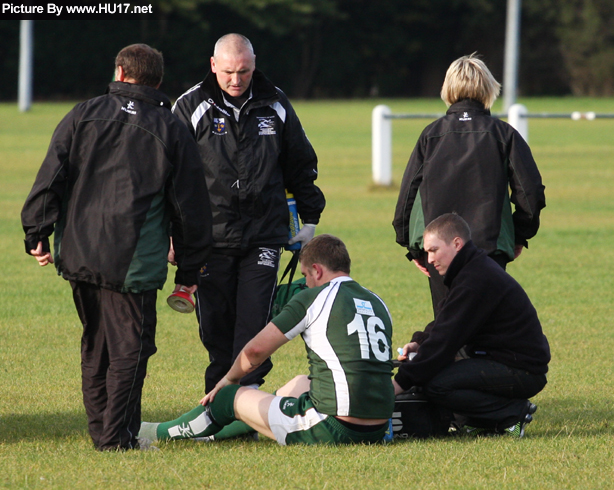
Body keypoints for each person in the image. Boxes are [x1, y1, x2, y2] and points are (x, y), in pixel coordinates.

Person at [21, 44, 213, 451]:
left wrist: (36, 232)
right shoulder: (170, 127)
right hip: (133, 262)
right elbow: (190, 207)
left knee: (96, 343)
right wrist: (190, 270)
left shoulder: (83, 113)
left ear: (121, 73)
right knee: (131, 349)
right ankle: (116, 439)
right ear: (158, 81)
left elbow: (51, 176)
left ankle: (103, 433)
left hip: (78, 253)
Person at [171, 33, 325, 395]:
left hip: (264, 236)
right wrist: (171, 233)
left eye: (244, 71)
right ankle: (219, 410)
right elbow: (167, 175)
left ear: (254, 65)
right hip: (210, 239)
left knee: (254, 328)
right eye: (228, 72)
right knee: (218, 330)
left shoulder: (276, 103)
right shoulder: (189, 106)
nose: (236, 80)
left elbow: (300, 163)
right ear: (213, 65)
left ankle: (248, 409)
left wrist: (310, 219)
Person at [139, 235, 394, 446]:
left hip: (331, 427)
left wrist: (229, 380)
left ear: (317, 270)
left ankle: (156, 433)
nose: (304, 281)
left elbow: (255, 351)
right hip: (377, 429)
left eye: (305, 274)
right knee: (299, 384)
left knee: (230, 396)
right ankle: (224, 431)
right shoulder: (376, 301)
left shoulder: (314, 296)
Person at [392, 53, 545, 317]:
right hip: (489, 249)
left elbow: (407, 196)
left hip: (440, 250)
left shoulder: (431, 134)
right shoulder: (503, 134)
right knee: (487, 327)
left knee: (446, 328)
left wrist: (413, 246)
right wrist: (520, 235)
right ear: (489, 87)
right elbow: (530, 193)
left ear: (447, 89)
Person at [393, 214, 550, 437]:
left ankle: (513, 414)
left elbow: (445, 340)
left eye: (433, 250)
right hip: (506, 361)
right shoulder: (471, 269)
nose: (429, 259)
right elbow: (446, 319)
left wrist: (399, 384)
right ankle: (482, 421)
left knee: (437, 384)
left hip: (522, 369)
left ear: (456, 244)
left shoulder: (475, 278)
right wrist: (419, 342)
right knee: (437, 373)